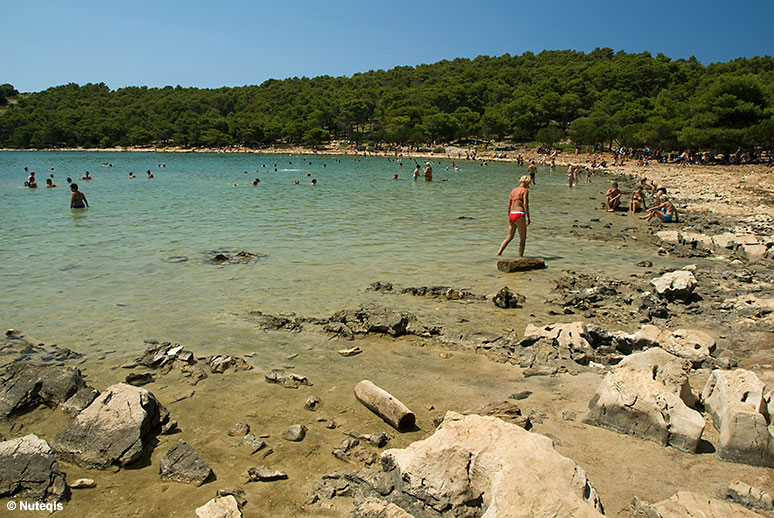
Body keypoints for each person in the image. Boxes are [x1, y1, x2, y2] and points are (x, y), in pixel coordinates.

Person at [497, 175, 531, 257]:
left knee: (509, 237)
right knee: (523, 239)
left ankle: (499, 254)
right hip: (519, 214)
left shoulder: (513, 191)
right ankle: (520, 257)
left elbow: (508, 205)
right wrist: (528, 217)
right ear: (527, 183)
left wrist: (509, 215)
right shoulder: (524, 190)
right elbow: (525, 204)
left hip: (512, 214)